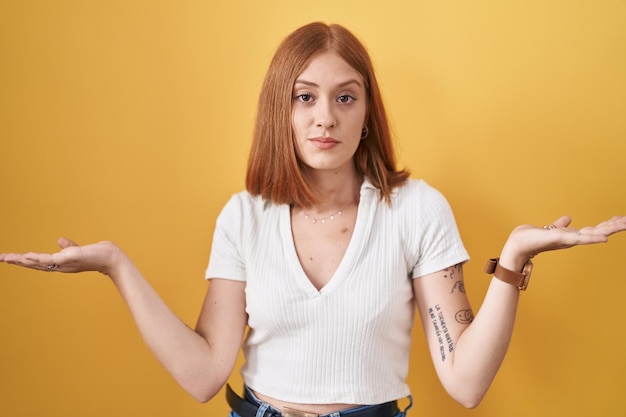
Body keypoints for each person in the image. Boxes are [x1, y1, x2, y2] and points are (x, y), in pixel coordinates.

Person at [1, 22, 625, 417]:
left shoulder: (416, 211)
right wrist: (115, 265)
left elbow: (463, 384)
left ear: (366, 113)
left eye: (344, 97)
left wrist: (513, 261)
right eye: (305, 97)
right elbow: (202, 375)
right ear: (283, 110)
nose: (325, 117)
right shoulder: (244, 218)